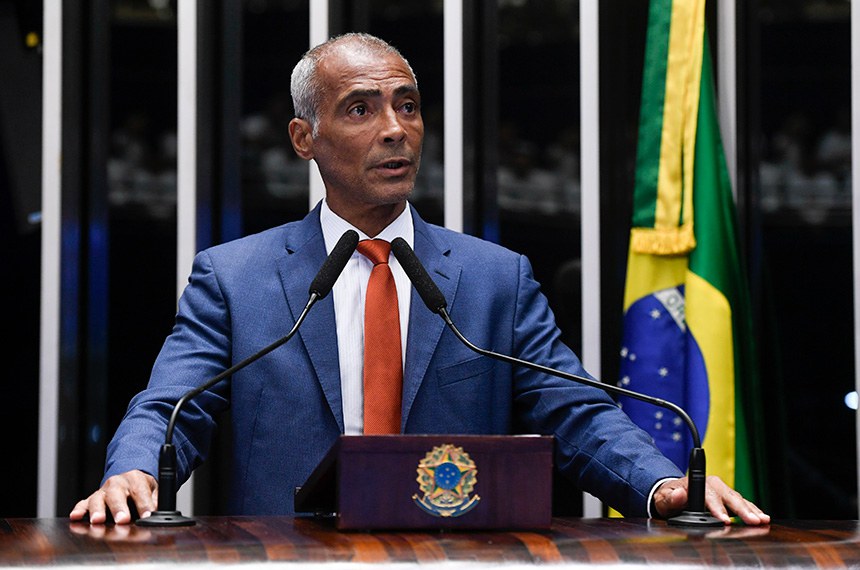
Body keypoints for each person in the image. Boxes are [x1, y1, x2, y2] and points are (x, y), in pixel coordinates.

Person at [71, 33, 769, 526]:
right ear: (302, 138)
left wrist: (661, 484)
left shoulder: (495, 279)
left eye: (407, 105)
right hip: (288, 558)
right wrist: (132, 471)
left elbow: (577, 411)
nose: (396, 129)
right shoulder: (237, 278)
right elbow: (171, 405)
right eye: (360, 109)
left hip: (449, 554)